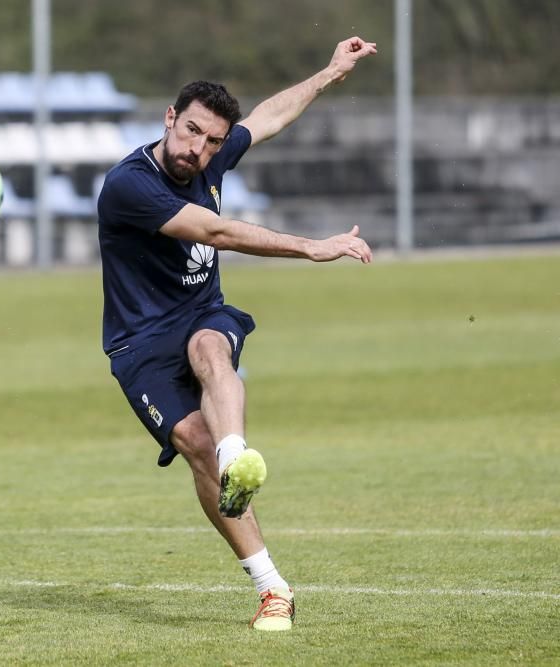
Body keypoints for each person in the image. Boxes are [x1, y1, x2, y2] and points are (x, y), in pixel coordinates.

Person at [96, 37, 377, 631]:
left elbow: (268, 117)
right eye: (191, 131)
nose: (198, 149)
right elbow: (216, 233)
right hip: (138, 347)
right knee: (193, 442)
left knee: (209, 349)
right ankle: (271, 581)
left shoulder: (213, 154)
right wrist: (310, 246)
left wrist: (328, 73)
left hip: (201, 316)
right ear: (169, 118)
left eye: (212, 141)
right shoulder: (130, 185)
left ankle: (236, 459)